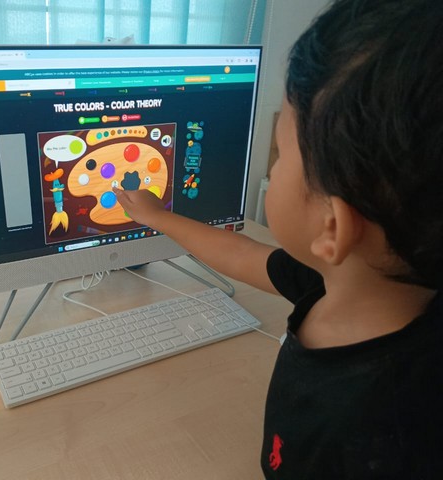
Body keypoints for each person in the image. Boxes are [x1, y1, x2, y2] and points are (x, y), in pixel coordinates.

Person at [114, 0, 443, 477]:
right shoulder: (348, 282)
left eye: (282, 154)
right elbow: (241, 253)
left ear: (333, 227)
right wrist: (156, 217)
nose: (273, 166)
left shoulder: (377, 430)